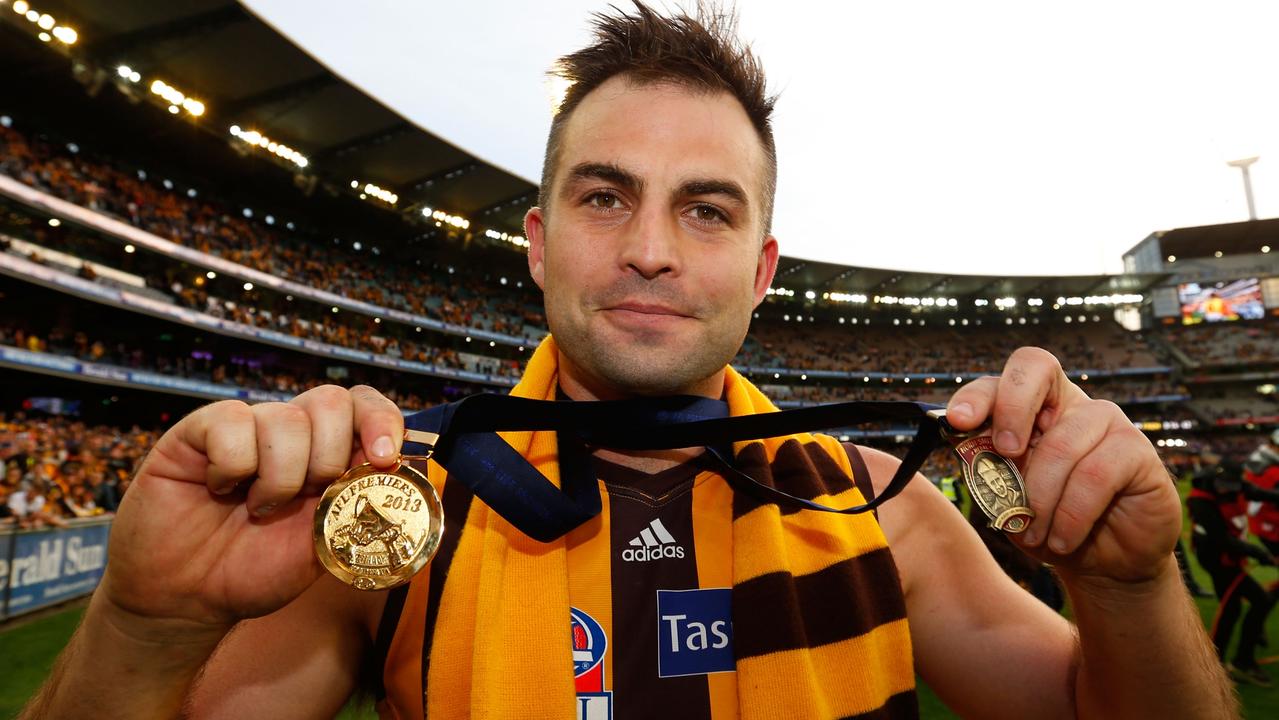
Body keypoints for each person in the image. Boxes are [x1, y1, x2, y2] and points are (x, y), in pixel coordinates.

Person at [20, 4, 1234, 719]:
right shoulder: (397, 519)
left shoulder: (886, 506)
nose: (650, 250)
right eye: (607, 197)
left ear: (763, 273)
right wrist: (141, 625)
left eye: (705, 210)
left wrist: (1129, 590)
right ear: (540, 245)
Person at [1187, 450, 1279, 686]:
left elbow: (1257, 492)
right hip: (1217, 558)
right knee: (1243, 605)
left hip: (1231, 554)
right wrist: (1261, 553)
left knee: (1237, 607)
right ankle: (1231, 664)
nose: (1228, 489)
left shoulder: (1237, 485)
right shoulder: (1200, 499)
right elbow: (1221, 539)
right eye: (1224, 485)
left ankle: (1225, 662)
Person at [1244, 429, 1279, 555]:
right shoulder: (1270, 470)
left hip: (1261, 520)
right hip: (1269, 522)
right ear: (1272, 445)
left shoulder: (1257, 460)